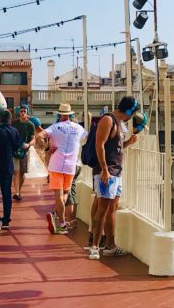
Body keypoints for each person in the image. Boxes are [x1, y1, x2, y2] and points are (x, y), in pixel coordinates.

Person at [89, 96, 140, 259]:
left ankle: (110, 245)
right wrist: (104, 169)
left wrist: (128, 143)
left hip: (116, 172)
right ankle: (95, 247)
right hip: (107, 171)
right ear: (129, 111)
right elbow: (100, 144)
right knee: (102, 209)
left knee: (112, 208)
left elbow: (114, 148)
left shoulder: (119, 124)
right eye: (133, 112)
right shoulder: (108, 120)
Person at [42, 103, 88, 234]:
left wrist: (46, 147)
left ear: (59, 114)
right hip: (72, 165)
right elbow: (88, 138)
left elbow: (41, 136)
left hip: (56, 164)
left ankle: (61, 222)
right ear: (70, 114)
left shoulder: (55, 127)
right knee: (67, 193)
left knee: (59, 195)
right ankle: (60, 219)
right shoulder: (78, 128)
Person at [12, 106, 38, 200]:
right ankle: (16, 192)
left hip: (25, 151)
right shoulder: (14, 123)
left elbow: (33, 139)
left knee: (22, 172)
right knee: (16, 172)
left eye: (24, 111)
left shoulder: (30, 124)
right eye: (21, 111)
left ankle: (18, 191)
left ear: (27, 112)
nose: (22, 113)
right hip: (15, 150)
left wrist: (28, 145)